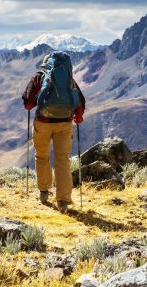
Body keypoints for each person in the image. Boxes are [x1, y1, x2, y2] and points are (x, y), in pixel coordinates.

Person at [22, 51, 86, 211]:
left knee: (42, 156)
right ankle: (63, 201)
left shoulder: (39, 77)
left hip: (43, 123)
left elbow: (28, 104)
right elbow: (80, 103)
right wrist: (77, 118)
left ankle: (44, 192)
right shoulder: (69, 80)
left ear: (46, 65)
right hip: (64, 124)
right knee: (62, 160)